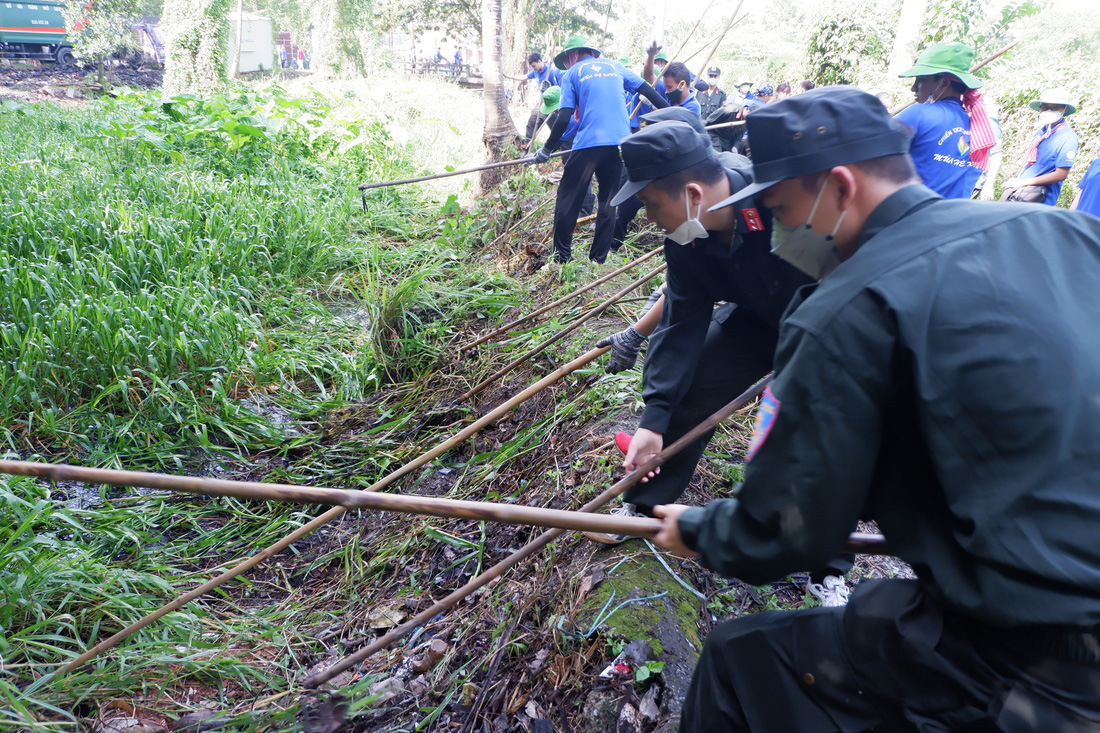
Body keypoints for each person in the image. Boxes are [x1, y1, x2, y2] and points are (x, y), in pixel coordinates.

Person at [650, 85, 1100, 732]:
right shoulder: (1067, 230)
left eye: (780, 210)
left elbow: (786, 527)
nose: (778, 236)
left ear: (840, 186)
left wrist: (698, 530)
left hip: (1033, 658)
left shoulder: (847, 308)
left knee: (739, 659)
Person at [583, 120, 815, 550]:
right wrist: (653, 418)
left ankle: (828, 564)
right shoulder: (685, 235)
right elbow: (682, 319)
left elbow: (838, 283)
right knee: (693, 384)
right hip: (754, 320)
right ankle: (643, 509)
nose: (650, 220)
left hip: (826, 330)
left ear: (692, 195)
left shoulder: (782, 202)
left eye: (652, 205)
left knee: (811, 432)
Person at [532, 35, 668, 264]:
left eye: (568, 58)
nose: (567, 63)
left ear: (573, 55)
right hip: (619, 142)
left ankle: (561, 258)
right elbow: (648, 90)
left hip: (589, 142)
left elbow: (564, 116)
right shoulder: (615, 67)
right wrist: (673, 113)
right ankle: (598, 259)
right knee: (608, 201)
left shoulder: (572, 74)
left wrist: (546, 149)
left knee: (567, 197)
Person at [895, 42, 995, 200]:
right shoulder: (981, 131)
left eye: (920, 80)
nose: (914, 88)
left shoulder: (918, 114)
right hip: (954, 220)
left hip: (912, 218)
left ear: (944, 82)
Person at [1002, 88, 1080, 206]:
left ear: (1065, 109)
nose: (1048, 110)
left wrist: (1023, 183)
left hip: (1039, 198)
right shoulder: (1042, 133)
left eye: (1054, 107)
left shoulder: (1068, 137)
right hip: (1021, 194)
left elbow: (1061, 174)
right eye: (1044, 106)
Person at [505, 52, 563, 143]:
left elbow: (558, 89)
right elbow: (524, 77)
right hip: (541, 103)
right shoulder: (535, 72)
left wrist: (549, 88)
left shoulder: (550, 72)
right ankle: (527, 145)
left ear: (540, 61)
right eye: (532, 66)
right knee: (532, 122)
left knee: (554, 127)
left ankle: (560, 144)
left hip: (551, 104)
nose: (533, 68)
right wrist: (509, 76)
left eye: (534, 66)